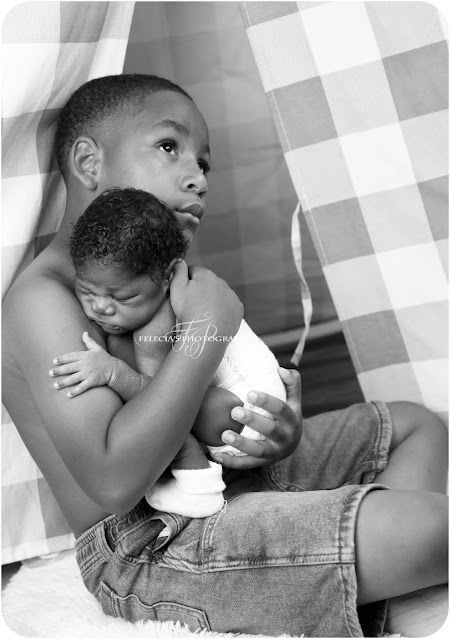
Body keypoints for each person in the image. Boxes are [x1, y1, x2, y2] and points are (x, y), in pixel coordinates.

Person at [2, 74, 447, 638]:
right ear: (89, 163)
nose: (197, 177)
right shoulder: (43, 301)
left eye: (204, 163)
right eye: (169, 147)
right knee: (436, 529)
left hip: (221, 480)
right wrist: (206, 330)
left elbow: (196, 414)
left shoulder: (164, 278)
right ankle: (360, 562)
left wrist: (267, 432)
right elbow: (116, 478)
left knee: (415, 427)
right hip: (151, 543)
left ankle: (355, 581)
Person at [50, 185, 286, 517]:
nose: (100, 307)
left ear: (165, 278)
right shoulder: (165, 290)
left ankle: (198, 486)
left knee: (167, 411)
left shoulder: (156, 328)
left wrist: (112, 372)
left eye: (123, 297)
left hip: (244, 415)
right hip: (261, 418)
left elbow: (160, 400)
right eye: (86, 291)